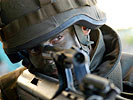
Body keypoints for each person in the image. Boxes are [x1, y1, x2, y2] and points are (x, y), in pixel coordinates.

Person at [0, 0, 132, 100]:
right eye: (33, 48)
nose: (48, 58)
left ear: (84, 28)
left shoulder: (130, 74)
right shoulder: (10, 88)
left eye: (58, 38)